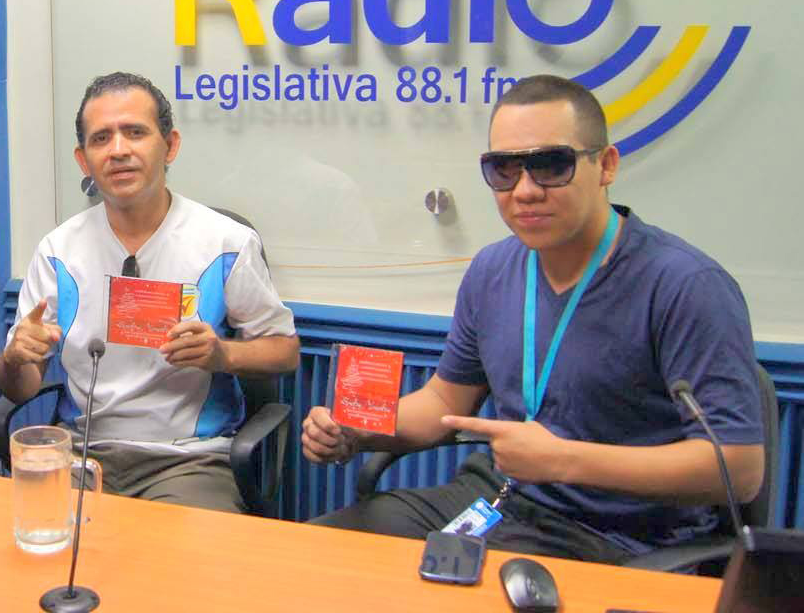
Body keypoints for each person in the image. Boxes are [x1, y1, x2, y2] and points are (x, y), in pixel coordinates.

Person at [302, 74, 763, 562]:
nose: (524, 191)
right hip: (498, 499)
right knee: (314, 558)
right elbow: (443, 400)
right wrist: (357, 428)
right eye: (504, 169)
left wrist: (564, 461)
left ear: (606, 165)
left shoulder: (685, 285)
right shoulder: (492, 270)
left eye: (550, 166)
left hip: (620, 533)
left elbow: (738, 468)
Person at [0, 71, 298, 513]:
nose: (118, 150)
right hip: (81, 455)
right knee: (37, 544)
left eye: (135, 132)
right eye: (101, 138)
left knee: (187, 558)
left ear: (169, 145)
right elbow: (20, 390)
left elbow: (286, 352)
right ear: (84, 160)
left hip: (187, 460)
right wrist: (14, 358)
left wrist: (222, 355)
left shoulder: (225, 243)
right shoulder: (58, 251)